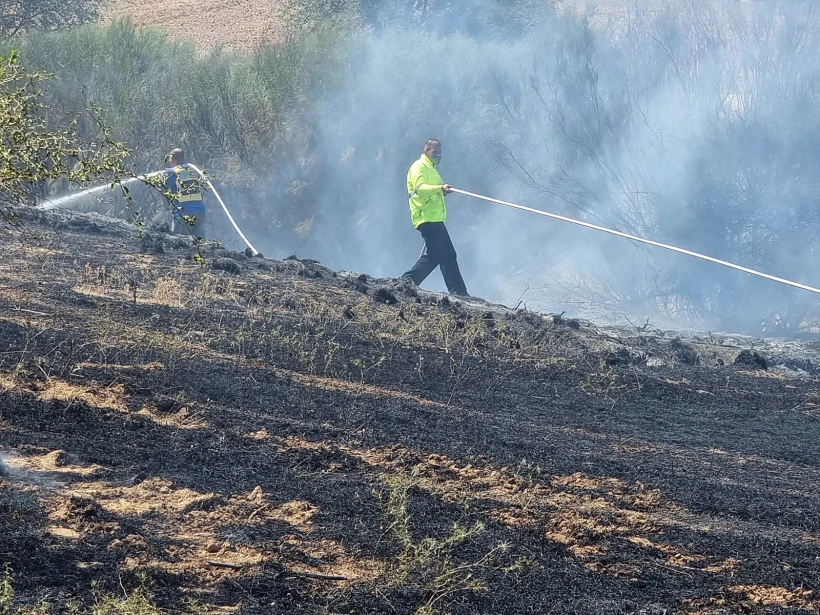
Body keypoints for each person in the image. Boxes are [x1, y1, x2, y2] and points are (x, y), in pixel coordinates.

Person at [401, 139, 469, 296]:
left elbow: (432, 192)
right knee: (443, 254)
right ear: (426, 150)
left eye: (440, 153)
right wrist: (440, 188)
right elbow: (421, 189)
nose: (438, 155)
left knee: (440, 255)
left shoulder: (431, 169)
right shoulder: (419, 167)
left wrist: (441, 191)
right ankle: (406, 282)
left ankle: (458, 292)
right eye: (435, 152)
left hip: (435, 218)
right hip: (426, 217)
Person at [163, 148, 207, 237]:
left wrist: (167, 206)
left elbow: (164, 188)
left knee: (180, 243)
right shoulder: (193, 170)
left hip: (183, 213)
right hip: (200, 212)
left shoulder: (171, 171)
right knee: (200, 244)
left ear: (172, 159)